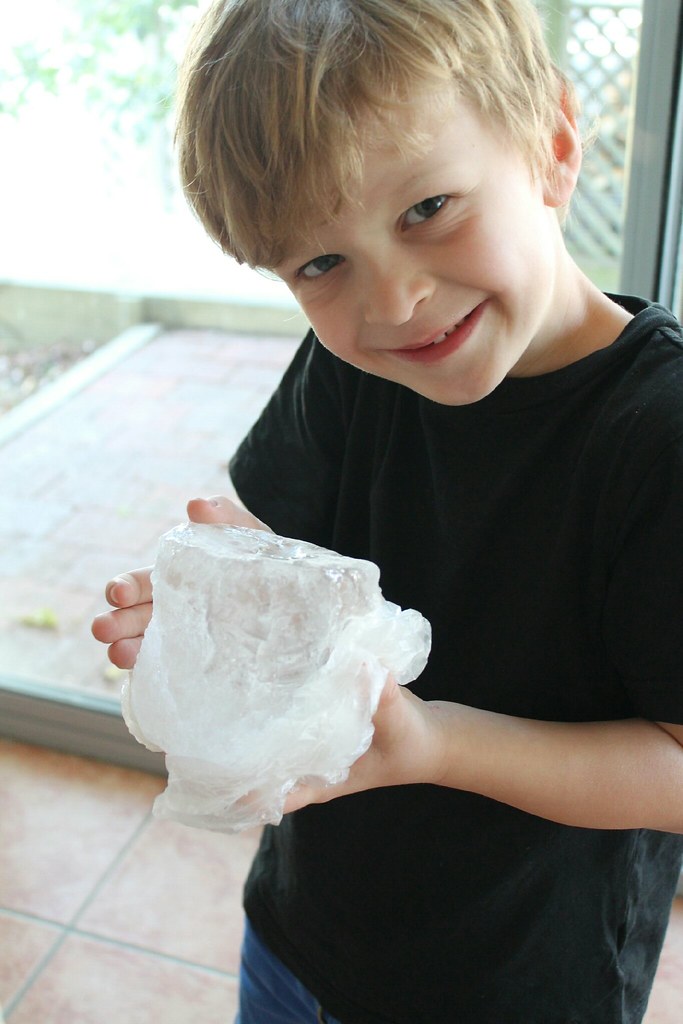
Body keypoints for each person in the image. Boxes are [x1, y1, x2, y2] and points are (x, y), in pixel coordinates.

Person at [92, 1, 683, 1021]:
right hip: (300, 938)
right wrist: (226, 612)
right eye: (320, 264)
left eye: (427, 208)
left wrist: (436, 744)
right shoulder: (357, 365)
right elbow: (290, 557)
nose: (393, 302)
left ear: (551, 144)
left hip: (514, 988)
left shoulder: (659, 437)